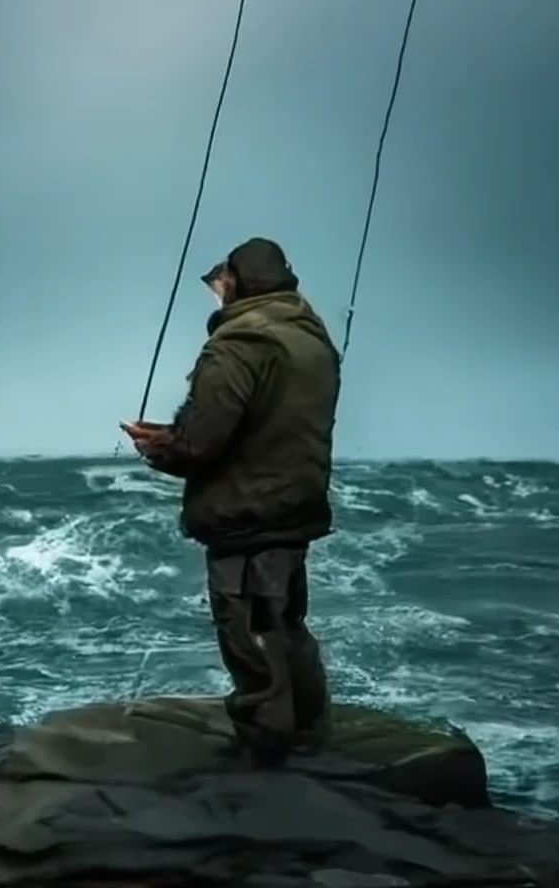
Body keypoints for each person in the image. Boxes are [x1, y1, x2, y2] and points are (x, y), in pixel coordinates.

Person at [120, 237, 341, 768]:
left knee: (247, 629)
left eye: (221, 284)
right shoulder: (309, 337)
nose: (218, 295)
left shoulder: (239, 343)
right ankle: (309, 729)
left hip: (247, 513)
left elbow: (202, 441)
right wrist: (177, 434)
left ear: (241, 283)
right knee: (284, 620)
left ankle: (265, 749)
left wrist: (159, 445)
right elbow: (267, 422)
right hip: (295, 506)